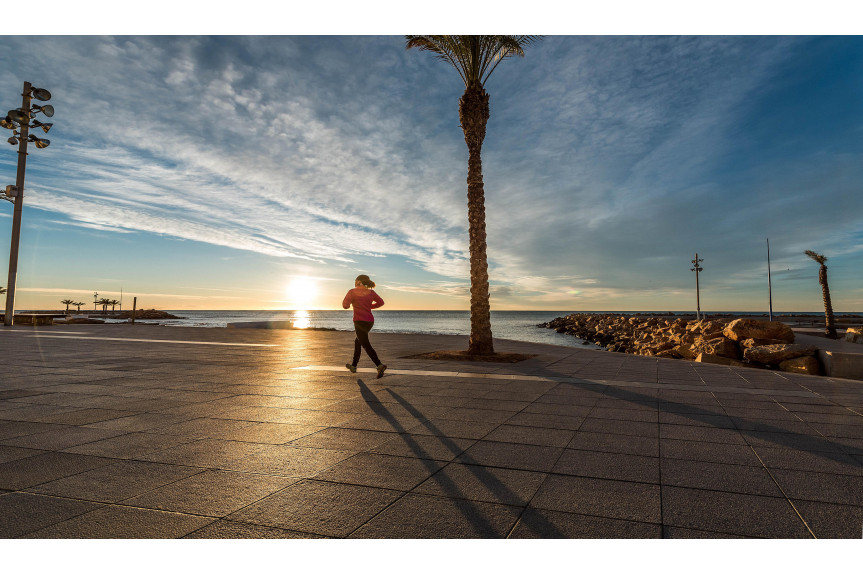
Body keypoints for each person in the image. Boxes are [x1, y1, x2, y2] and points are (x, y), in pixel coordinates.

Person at [342, 274, 387, 378]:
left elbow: (345, 306)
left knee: (365, 344)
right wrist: (369, 306)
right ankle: (353, 365)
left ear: (358, 281)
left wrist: (349, 304)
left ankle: (379, 365)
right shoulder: (371, 292)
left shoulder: (352, 291)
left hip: (359, 321)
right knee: (358, 342)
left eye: (355, 280)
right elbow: (381, 302)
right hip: (369, 321)